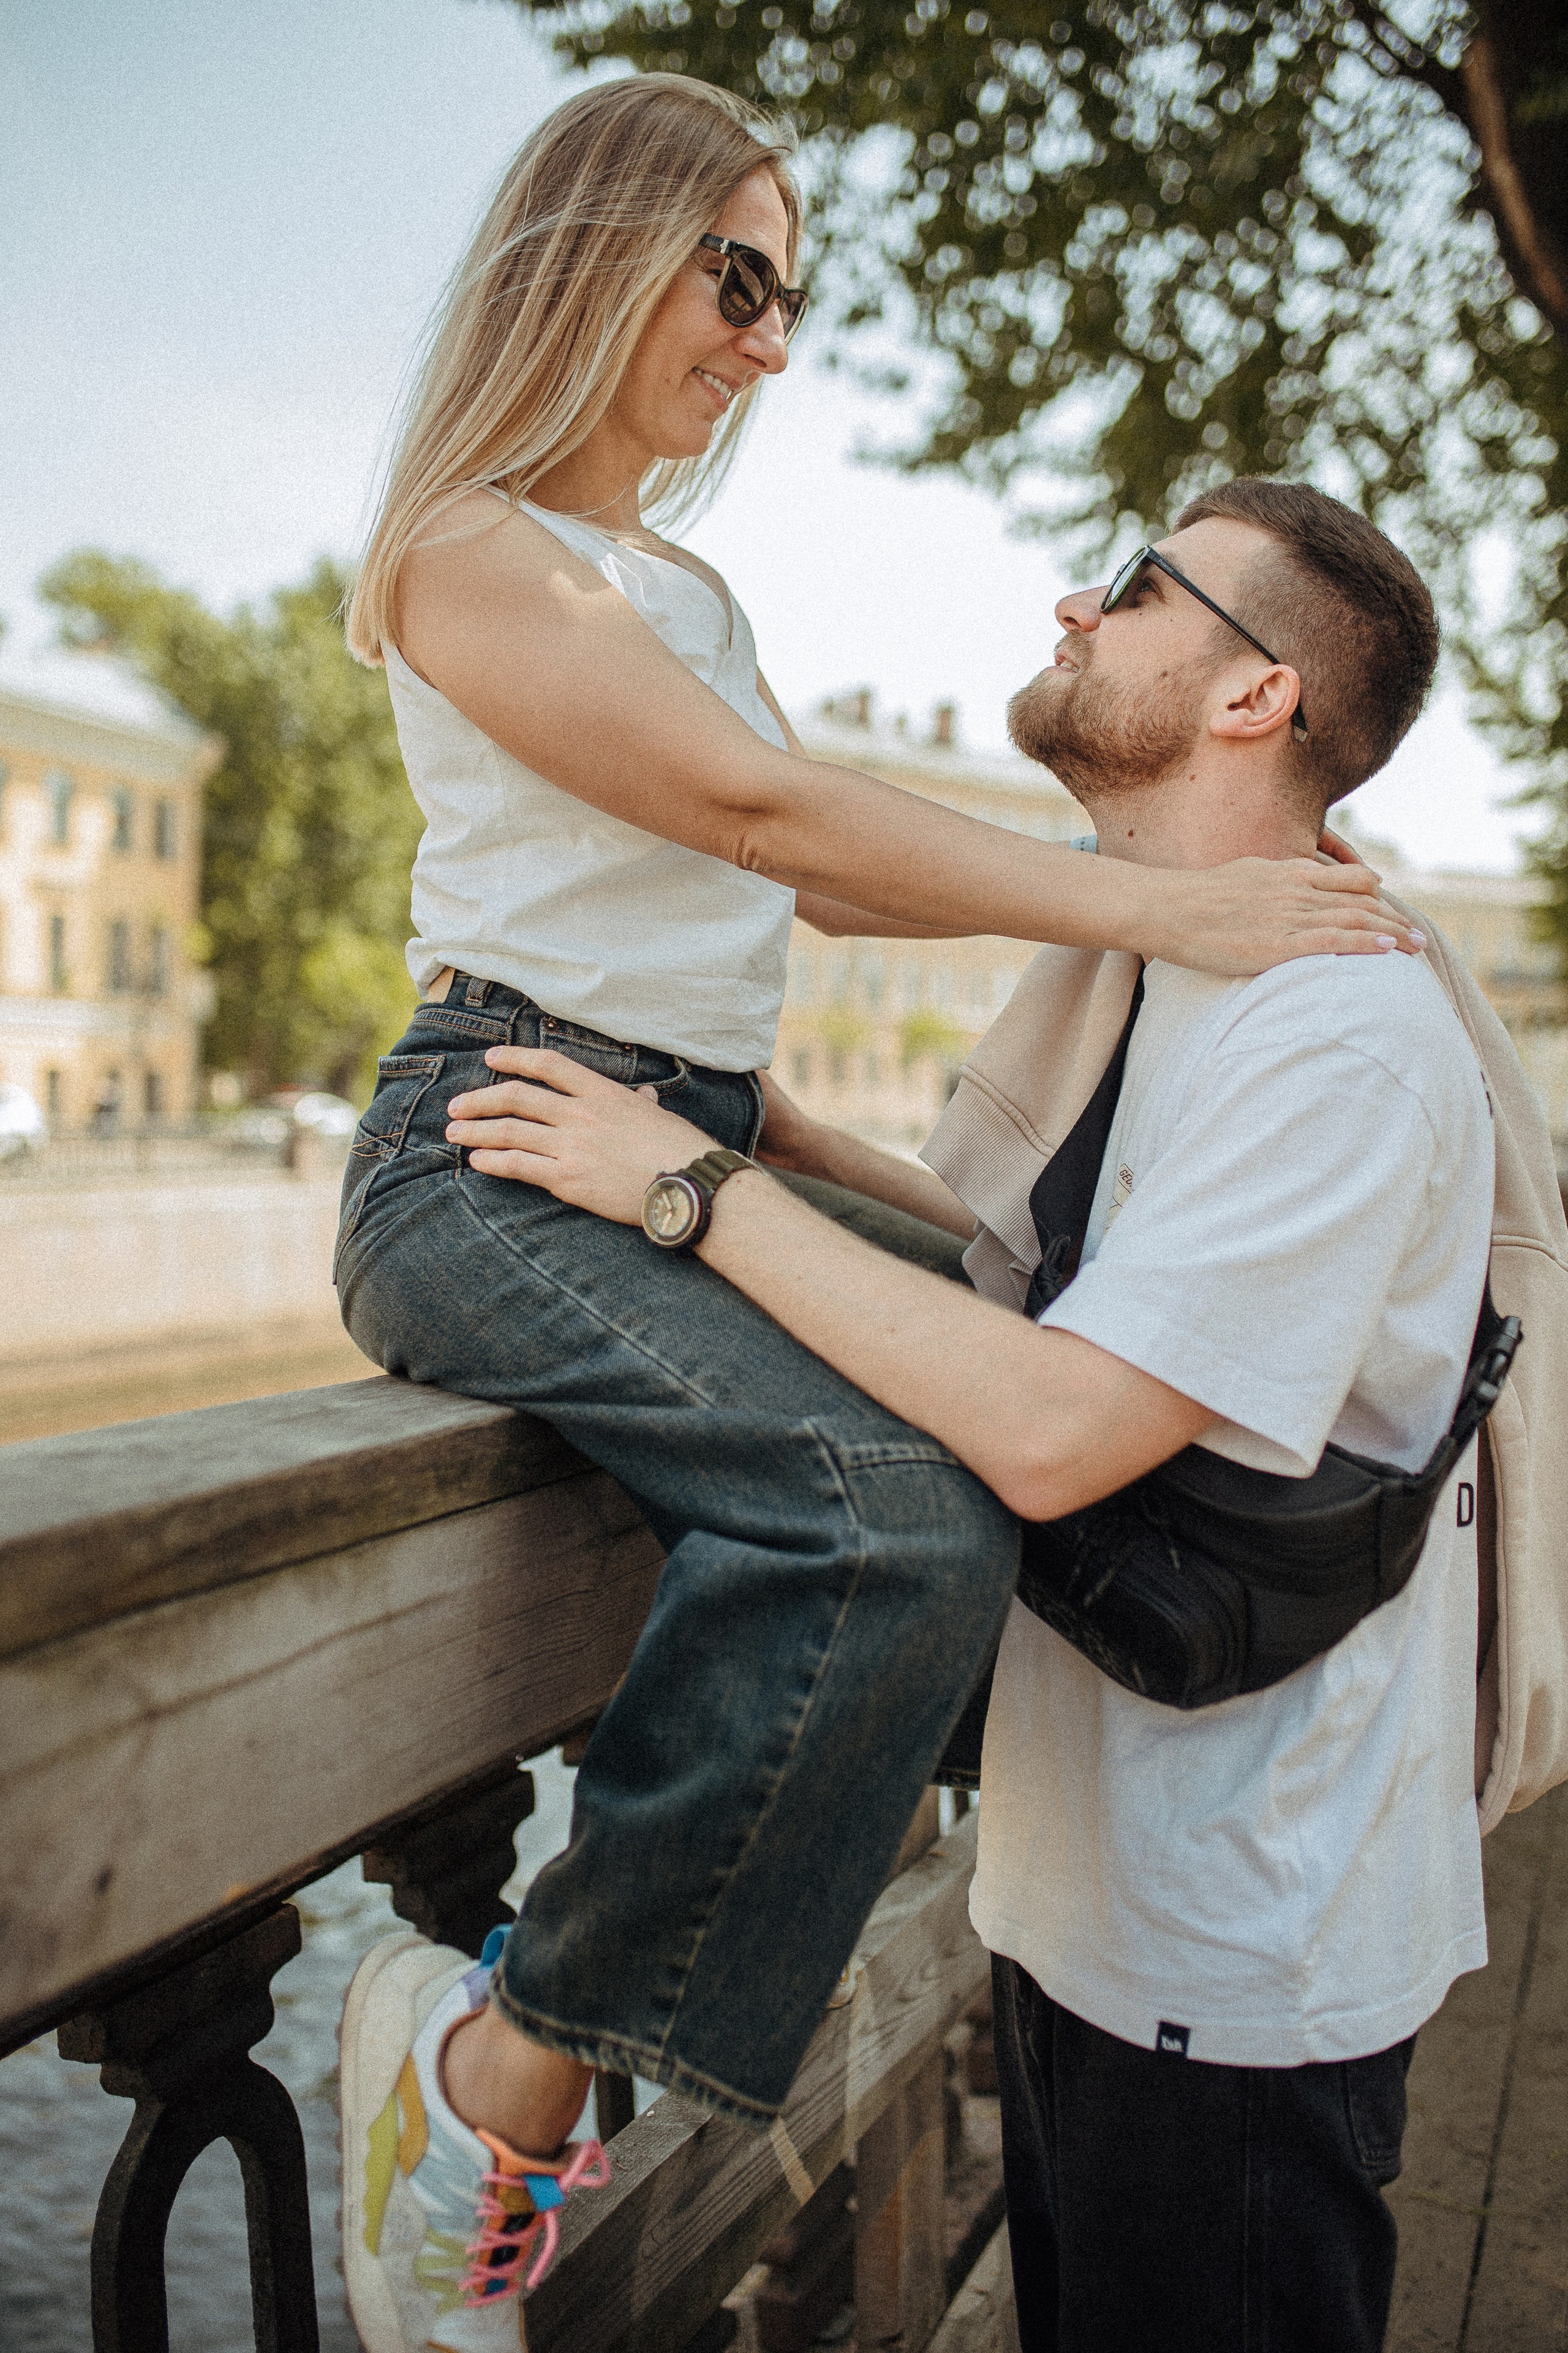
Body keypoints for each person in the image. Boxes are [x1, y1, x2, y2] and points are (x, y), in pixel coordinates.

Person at [333, 67, 1418, 2347]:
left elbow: (763, 879)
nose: (768, 342)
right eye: (738, 279)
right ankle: (491, 2066)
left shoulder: (679, 581)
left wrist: (789, 1141)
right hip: (514, 1133)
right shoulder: (464, 544)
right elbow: (759, 819)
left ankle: (957, 1896)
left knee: (1018, 1332)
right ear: (595, 245)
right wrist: (1175, 914)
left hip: (677, 1119)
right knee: (890, 1521)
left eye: (790, 295)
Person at [456, 478, 1491, 2352]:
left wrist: (685, 1190)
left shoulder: (1340, 1027)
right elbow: (1079, 1285)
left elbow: (1059, 1424)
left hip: (1239, 1951)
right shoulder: (1187, 964)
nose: (1076, 605)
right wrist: (799, 1143)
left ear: (1256, 697)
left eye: (1140, 584)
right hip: (1118, 1883)